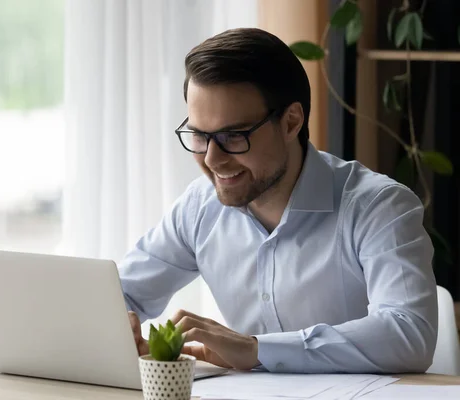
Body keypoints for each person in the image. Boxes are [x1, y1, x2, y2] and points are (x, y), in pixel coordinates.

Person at [118, 27, 437, 374]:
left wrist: (257, 350)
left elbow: (409, 333)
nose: (212, 159)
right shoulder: (199, 206)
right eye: (200, 135)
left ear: (291, 122)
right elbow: (119, 294)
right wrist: (117, 326)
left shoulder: (378, 207)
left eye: (232, 136)